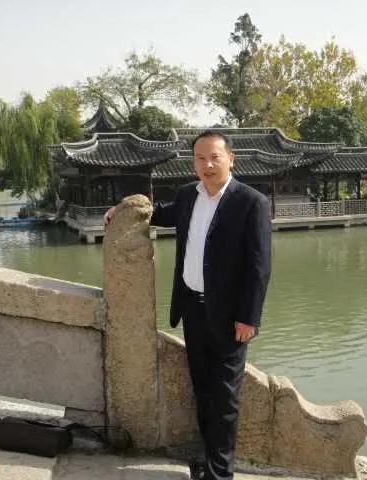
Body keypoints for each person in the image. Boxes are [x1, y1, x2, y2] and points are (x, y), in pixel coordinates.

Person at [104, 130, 272, 480]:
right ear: (193, 162)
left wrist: (248, 318)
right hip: (193, 309)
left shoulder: (251, 202)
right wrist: (120, 212)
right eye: (200, 158)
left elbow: (259, 267)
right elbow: (157, 214)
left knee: (224, 398)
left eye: (215, 157)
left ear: (231, 159)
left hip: (230, 317)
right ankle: (207, 460)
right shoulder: (187, 196)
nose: (207, 164)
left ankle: (220, 474)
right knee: (203, 390)